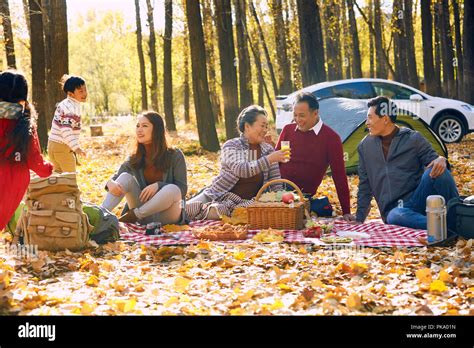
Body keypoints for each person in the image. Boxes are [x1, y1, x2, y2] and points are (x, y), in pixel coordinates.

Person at [347, 96, 459, 229]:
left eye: (370, 117)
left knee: (440, 170)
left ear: (385, 119)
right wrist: (359, 218)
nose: (367, 123)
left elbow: (436, 165)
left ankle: (458, 215)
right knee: (396, 216)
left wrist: (441, 160)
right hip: (395, 210)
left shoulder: (413, 138)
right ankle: (447, 225)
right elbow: (365, 184)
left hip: (420, 199)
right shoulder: (365, 146)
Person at [186, 105, 288, 220]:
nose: (265, 130)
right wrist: (269, 159)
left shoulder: (268, 150)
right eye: (262, 126)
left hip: (247, 202)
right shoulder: (232, 146)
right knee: (183, 211)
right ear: (247, 126)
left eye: (266, 126)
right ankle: (203, 209)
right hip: (219, 195)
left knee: (229, 213)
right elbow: (242, 169)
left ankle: (209, 212)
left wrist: (282, 201)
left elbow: (275, 183)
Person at [275, 92, 352, 220]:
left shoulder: (331, 138)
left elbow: (339, 176)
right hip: (277, 190)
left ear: (315, 113)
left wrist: (346, 211)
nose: (297, 120)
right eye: (295, 115)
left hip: (304, 197)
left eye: (302, 115)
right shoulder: (288, 130)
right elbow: (276, 162)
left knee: (318, 209)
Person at [102, 111, 187, 225]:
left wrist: (159, 185)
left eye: (145, 126)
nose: (139, 130)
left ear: (157, 130)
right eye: (137, 126)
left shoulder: (175, 155)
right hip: (144, 216)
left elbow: (182, 189)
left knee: (173, 189)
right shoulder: (135, 157)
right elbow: (117, 178)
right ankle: (99, 216)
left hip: (168, 216)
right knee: (125, 177)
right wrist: (110, 183)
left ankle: (135, 215)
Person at [0, 70, 53, 230]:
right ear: (23, 97)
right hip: (13, 183)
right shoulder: (25, 124)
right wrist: (50, 168)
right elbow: (36, 162)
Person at [47, 75, 88, 173]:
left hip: (52, 145)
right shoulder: (71, 108)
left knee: (59, 179)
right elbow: (66, 130)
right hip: (62, 147)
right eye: (81, 91)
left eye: (85, 90)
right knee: (70, 180)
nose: (85, 93)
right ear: (71, 94)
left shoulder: (65, 104)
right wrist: (76, 148)